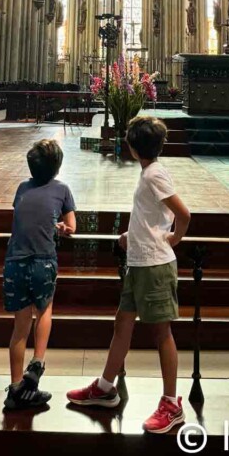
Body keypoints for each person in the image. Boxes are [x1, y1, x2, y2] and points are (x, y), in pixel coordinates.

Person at [67, 116, 191, 434]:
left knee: (161, 334)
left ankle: (171, 404)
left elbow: (183, 213)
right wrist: (130, 236)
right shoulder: (150, 173)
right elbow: (150, 216)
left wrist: (175, 238)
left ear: (133, 148)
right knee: (122, 324)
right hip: (139, 261)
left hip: (154, 266)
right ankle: (105, 387)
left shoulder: (153, 175)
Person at [3, 138, 76, 411]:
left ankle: (14, 388)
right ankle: (38, 362)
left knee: (19, 327)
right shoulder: (62, 189)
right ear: (57, 168)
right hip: (43, 260)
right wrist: (61, 228)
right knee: (44, 310)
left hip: (14, 261)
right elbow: (71, 226)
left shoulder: (22, 188)